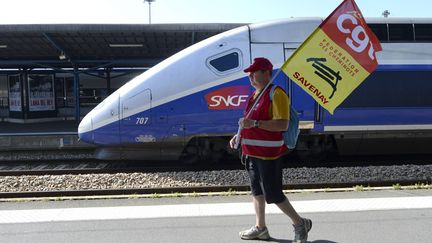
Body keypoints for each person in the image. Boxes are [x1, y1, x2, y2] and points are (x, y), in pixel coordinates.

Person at [229, 57, 312, 242]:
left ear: (267, 73)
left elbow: (282, 124)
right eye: (249, 73)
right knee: (256, 191)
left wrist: (255, 123)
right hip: (251, 153)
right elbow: (248, 123)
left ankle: (300, 224)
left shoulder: (277, 94)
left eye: (254, 72)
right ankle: (260, 228)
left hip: (268, 155)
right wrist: (239, 136)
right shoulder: (255, 95)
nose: (250, 76)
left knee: (273, 195)